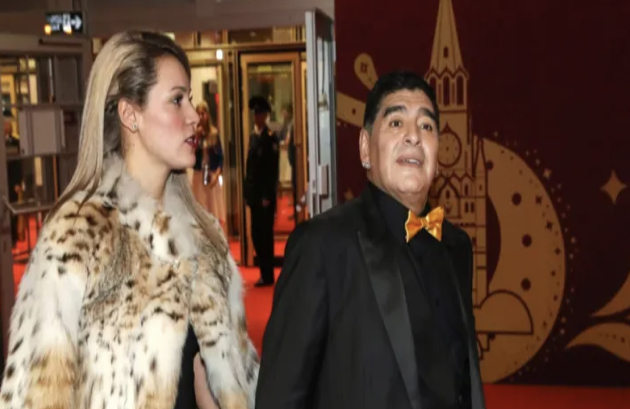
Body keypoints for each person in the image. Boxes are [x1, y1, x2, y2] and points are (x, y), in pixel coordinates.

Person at [0, 31, 258, 409]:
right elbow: (35, 395)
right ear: (130, 114)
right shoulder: (78, 236)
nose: (193, 116)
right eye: (177, 100)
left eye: (189, 99)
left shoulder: (205, 237)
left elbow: (239, 381)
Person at [256, 71, 486, 409]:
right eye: (396, 122)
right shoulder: (322, 246)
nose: (413, 136)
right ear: (366, 148)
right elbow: (280, 398)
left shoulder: (457, 246)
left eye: (426, 126)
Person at [244, 96, 279, 287]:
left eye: (259, 114)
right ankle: (263, 271)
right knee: (255, 234)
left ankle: (268, 274)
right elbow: (250, 168)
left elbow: (272, 171)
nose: (256, 117)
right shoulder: (253, 137)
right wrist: (247, 193)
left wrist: (267, 195)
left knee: (265, 236)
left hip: (265, 197)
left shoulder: (270, 138)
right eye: (255, 114)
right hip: (254, 195)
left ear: (265, 116)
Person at [192, 101, 226, 232]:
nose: (201, 117)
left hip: (212, 176)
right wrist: (196, 136)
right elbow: (190, 155)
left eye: (203, 113)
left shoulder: (214, 133)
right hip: (199, 175)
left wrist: (217, 175)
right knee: (200, 209)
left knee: (214, 211)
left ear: (208, 115)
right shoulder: (193, 134)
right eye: (199, 114)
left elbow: (221, 158)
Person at [3, 109, 22, 248]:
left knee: (13, 209)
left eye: (8, 123)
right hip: (2, 180)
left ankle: (13, 239)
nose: (7, 125)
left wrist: (18, 182)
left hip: (12, 182)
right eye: (5, 123)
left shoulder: (15, 142)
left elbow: (18, 163)